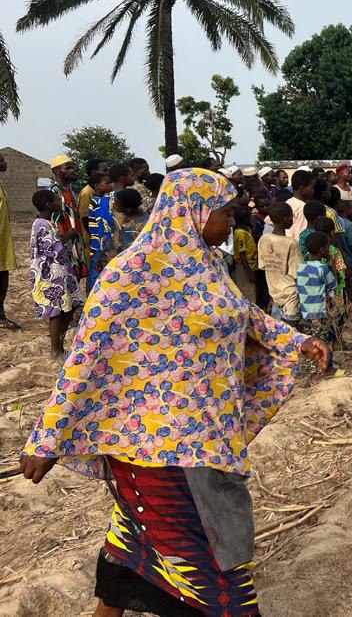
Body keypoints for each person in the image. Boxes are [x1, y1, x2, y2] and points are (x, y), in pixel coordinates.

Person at [20, 169, 328, 617]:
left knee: (134, 542)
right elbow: (85, 359)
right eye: (224, 214)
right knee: (219, 579)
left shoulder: (207, 267)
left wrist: (296, 342)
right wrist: (49, 438)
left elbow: (245, 316)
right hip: (156, 451)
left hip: (205, 437)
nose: (230, 224)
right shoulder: (129, 274)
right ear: (192, 212)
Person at [30, 189, 84, 355]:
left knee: (68, 308)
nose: (59, 202)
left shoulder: (47, 222)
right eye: (55, 200)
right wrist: (68, 235)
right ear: (48, 204)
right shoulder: (42, 224)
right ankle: (55, 350)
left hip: (60, 272)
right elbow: (52, 249)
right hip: (51, 275)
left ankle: (60, 347)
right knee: (56, 312)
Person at [296, 231, 337, 367]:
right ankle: (324, 367)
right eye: (327, 247)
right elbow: (333, 284)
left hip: (305, 311)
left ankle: (310, 368)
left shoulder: (301, 267)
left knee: (310, 340)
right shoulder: (323, 268)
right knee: (323, 340)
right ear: (322, 250)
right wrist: (333, 268)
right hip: (320, 311)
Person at [49, 155, 89, 284]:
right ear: (55, 171)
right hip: (63, 242)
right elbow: (50, 220)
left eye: (73, 167)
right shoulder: (53, 191)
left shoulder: (71, 190)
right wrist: (63, 238)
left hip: (75, 241)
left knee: (74, 278)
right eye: (67, 168)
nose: (72, 170)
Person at [259, 202, 301, 325]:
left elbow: (264, 266)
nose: (293, 220)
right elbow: (298, 273)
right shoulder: (291, 244)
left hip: (274, 294)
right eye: (292, 217)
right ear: (285, 219)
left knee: (279, 334)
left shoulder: (264, 239)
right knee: (292, 333)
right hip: (290, 296)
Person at [85, 171, 114, 292]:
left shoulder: (101, 200)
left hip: (100, 241)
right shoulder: (96, 202)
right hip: (98, 242)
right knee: (96, 271)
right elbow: (101, 224)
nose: (110, 185)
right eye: (106, 183)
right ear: (97, 186)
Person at [0, 152, 19, 328]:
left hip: (3, 240)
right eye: (2, 160)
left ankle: (1, 315)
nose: (5, 162)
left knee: (3, 275)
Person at [231, 205, 259, 302]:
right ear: (245, 218)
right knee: (247, 292)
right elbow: (242, 254)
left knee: (252, 290)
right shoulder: (240, 233)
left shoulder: (246, 230)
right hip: (244, 267)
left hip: (250, 265)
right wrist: (249, 273)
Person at [78, 157, 109, 234]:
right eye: (104, 170)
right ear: (94, 172)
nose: (107, 173)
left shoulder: (104, 189)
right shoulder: (87, 192)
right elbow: (85, 219)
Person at [285, 169, 314, 240]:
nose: (313, 191)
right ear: (301, 188)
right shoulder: (303, 208)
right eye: (311, 188)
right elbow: (300, 234)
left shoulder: (288, 202)